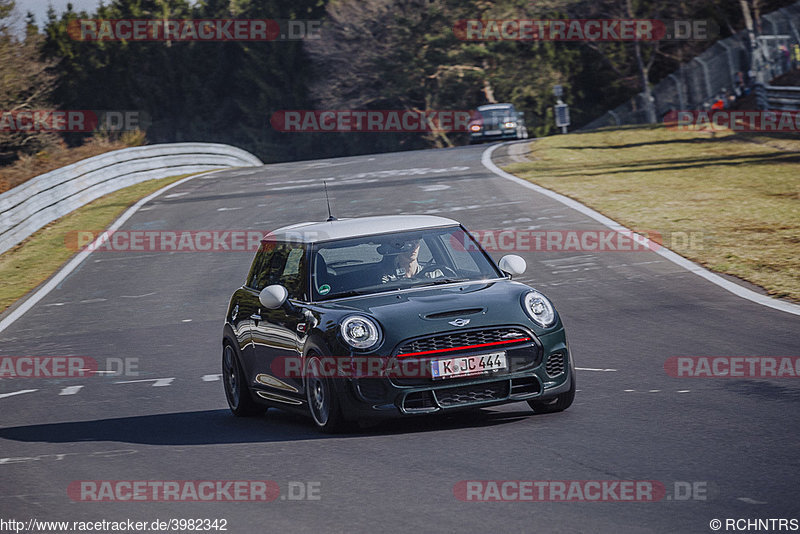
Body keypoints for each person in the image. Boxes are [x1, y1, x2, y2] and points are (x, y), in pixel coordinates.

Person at [378, 239, 442, 283]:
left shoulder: (433, 274)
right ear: (398, 248)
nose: (414, 247)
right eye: (409, 244)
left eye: (416, 242)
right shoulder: (389, 278)